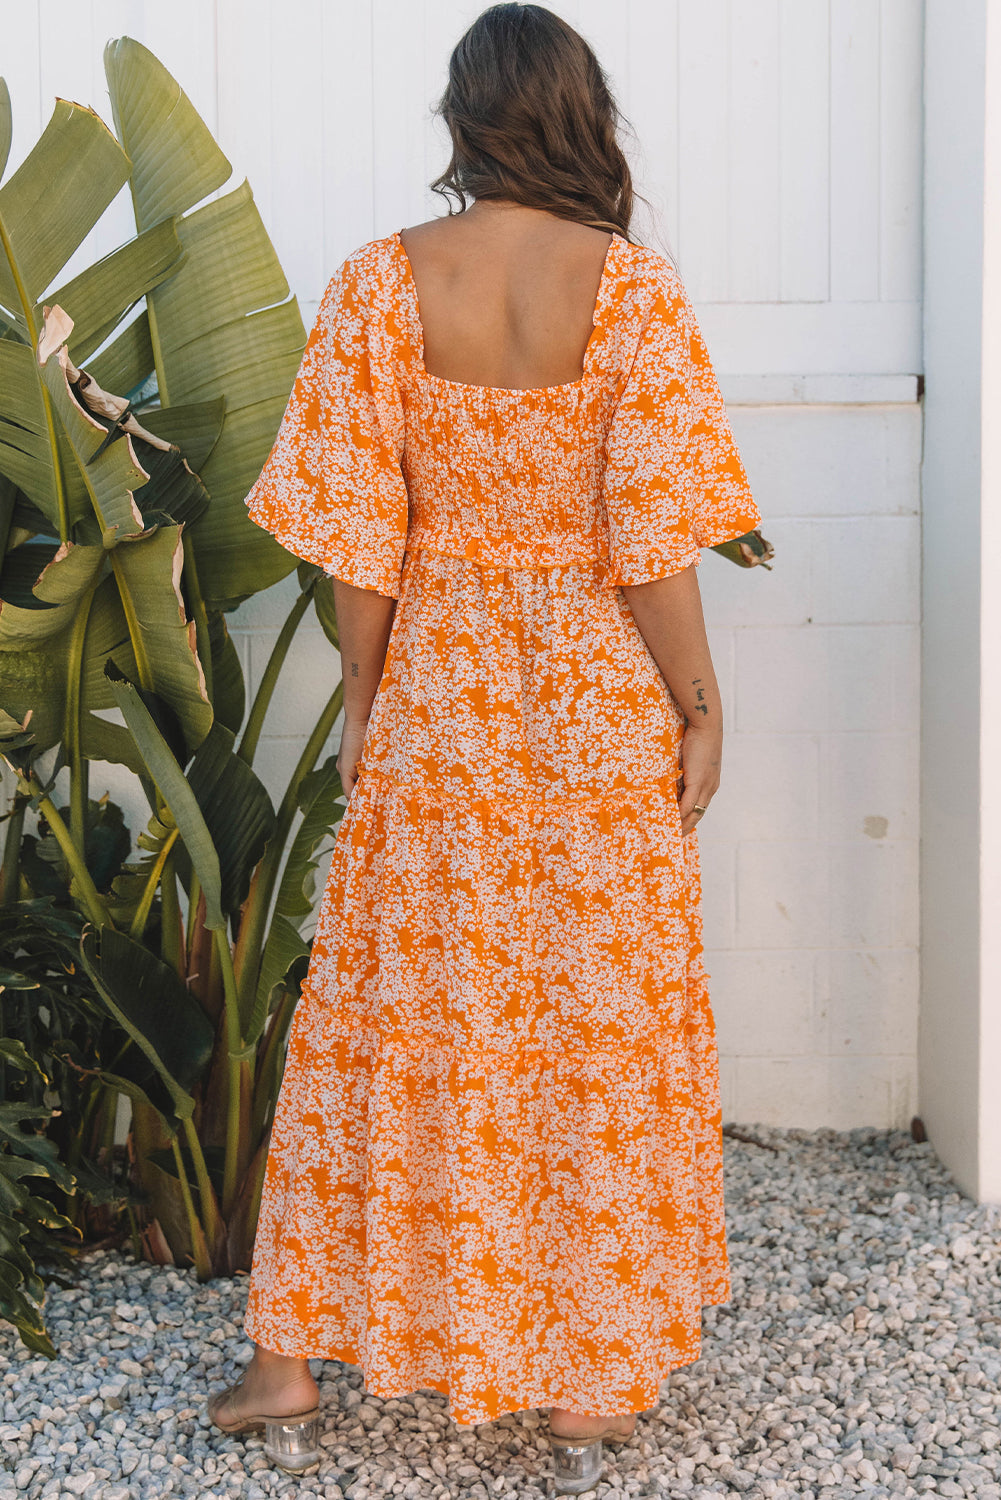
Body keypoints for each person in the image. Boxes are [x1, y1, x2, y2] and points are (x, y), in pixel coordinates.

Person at [206, 3, 764, 1491]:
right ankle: (585, 1380)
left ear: (463, 121)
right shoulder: (632, 293)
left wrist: (367, 704)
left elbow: (361, 545)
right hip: (591, 697)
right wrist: (699, 704)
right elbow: (652, 540)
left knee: (384, 1010)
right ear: (582, 116)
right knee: (594, 1015)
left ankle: (287, 1362)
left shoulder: (378, 285)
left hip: (442, 691)